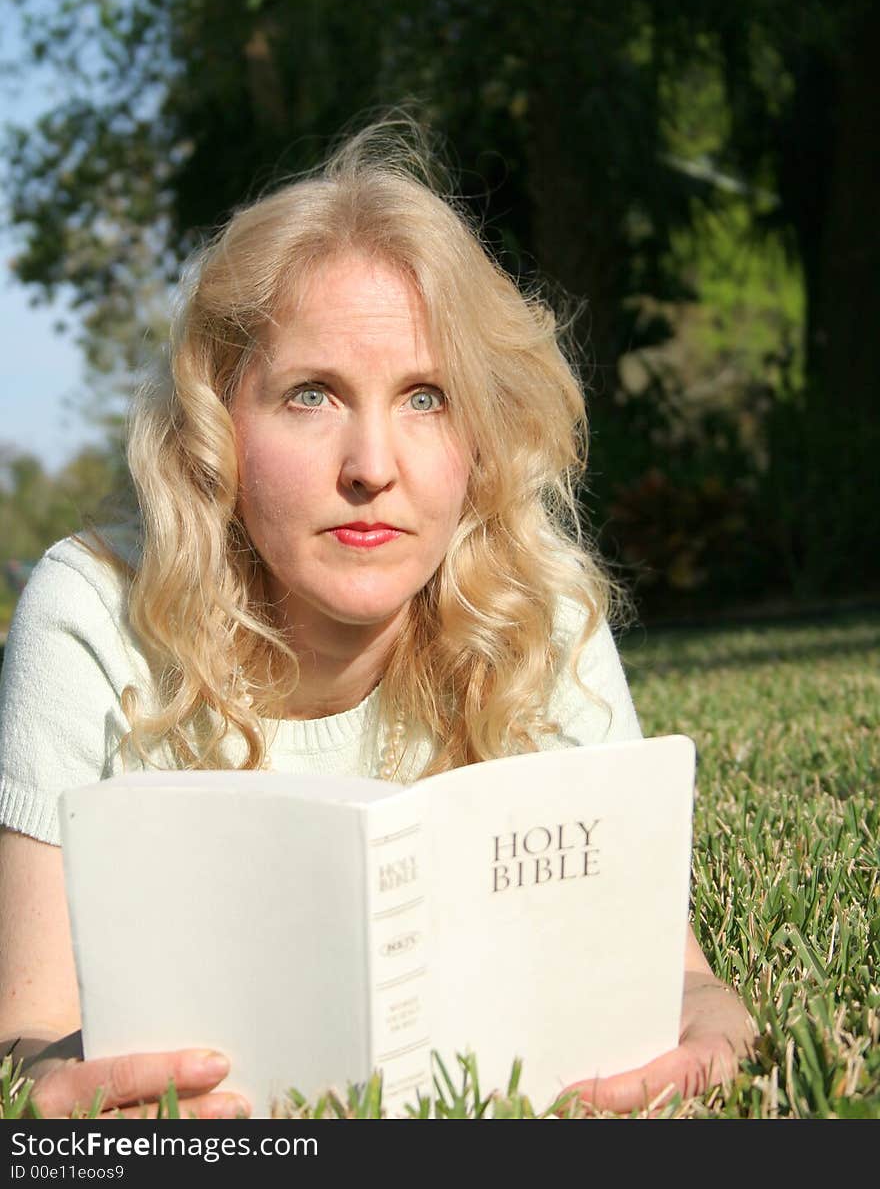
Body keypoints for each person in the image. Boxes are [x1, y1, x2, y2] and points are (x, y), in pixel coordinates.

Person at [0, 120, 754, 1119]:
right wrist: (71, 1091)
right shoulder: (93, 613)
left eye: (425, 398)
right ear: (218, 425)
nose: (371, 465)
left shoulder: (540, 603)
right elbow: (25, 1033)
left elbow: (674, 975)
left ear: (481, 437)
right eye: (311, 394)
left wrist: (713, 1016)